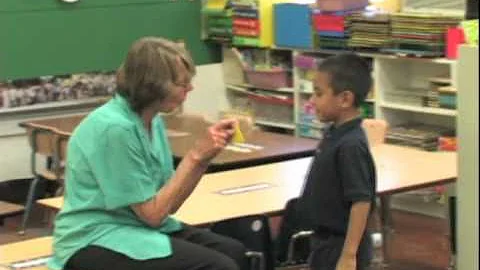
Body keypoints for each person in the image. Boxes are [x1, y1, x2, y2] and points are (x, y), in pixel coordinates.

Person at [48, 37, 248, 270]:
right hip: (94, 239)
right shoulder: (115, 129)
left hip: (136, 228)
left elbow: (168, 204)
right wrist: (195, 156)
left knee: (234, 252)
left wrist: (204, 159)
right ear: (154, 86)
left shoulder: (151, 120)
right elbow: (152, 214)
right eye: (182, 84)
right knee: (219, 267)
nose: (190, 89)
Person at [277, 53, 376, 270]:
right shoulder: (335, 133)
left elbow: (361, 202)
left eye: (319, 93)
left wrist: (349, 255)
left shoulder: (351, 145)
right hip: (324, 241)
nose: (312, 101)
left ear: (345, 99)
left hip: (341, 246)